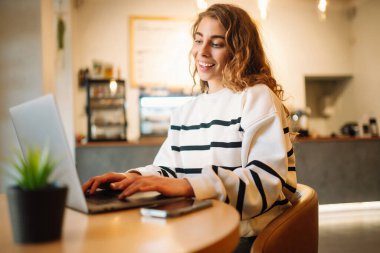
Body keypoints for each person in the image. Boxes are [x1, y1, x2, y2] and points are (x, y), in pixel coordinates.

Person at [82, 3, 297, 253]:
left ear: (240, 51)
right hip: (197, 228)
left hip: (245, 237)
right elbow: (168, 169)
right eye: (198, 40)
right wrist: (134, 178)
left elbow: (266, 182)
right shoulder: (185, 112)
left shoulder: (257, 98)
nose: (201, 52)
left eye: (216, 43)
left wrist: (188, 186)